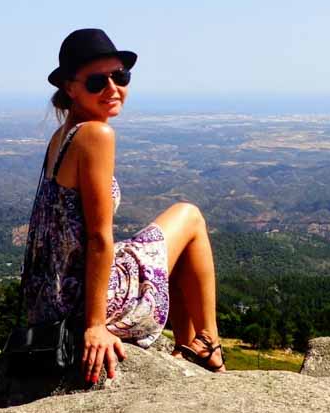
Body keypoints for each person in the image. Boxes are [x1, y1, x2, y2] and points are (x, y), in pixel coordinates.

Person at [18, 27, 226, 385]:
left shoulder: (62, 136)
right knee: (189, 216)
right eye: (97, 81)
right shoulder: (96, 135)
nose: (113, 88)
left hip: (50, 302)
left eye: (121, 76)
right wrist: (95, 326)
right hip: (82, 304)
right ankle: (207, 344)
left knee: (152, 251)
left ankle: (193, 346)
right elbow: (98, 238)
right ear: (70, 88)